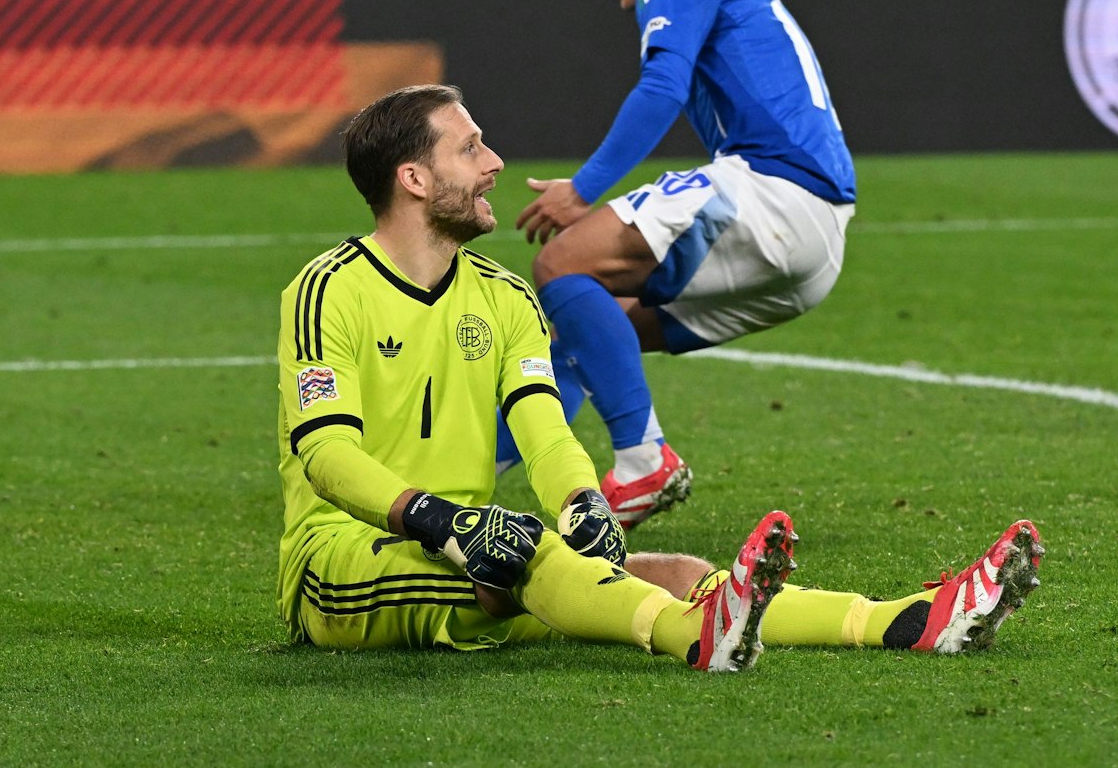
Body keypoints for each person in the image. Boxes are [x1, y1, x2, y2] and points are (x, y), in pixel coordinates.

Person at [283, 84, 1042, 661]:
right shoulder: (329, 288)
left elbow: (543, 430)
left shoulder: (505, 296)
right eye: (470, 149)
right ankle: (690, 640)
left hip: (474, 549)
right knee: (529, 553)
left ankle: (902, 621)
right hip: (342, 564)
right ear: (412, 180)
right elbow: (325, 454)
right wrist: (440, 518)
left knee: (672, 568)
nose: (495, 164)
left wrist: (583, 503)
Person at [505, 0, 856, 527]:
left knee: (559, 264)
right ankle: (479, 476)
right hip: (818, 245)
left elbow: (661, 89)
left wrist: (581, 191)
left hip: (775, 193)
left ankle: (643, 462)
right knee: (590, 327)